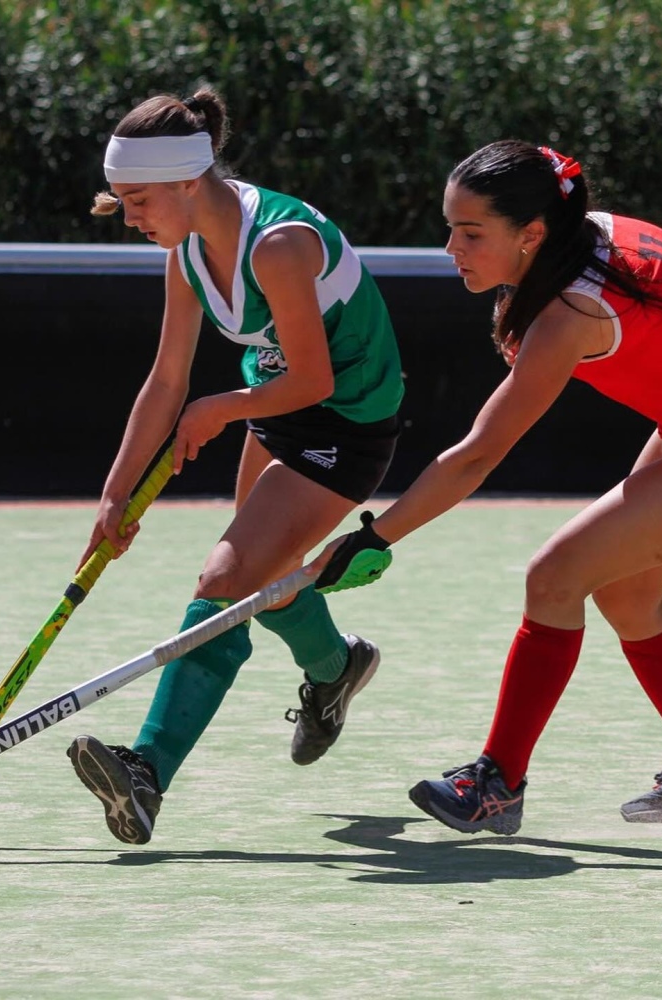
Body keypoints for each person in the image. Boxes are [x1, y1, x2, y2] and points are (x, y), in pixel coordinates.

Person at [311, 139, 662, 835]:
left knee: (555, 577)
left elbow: (477, 457)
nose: (451, 248)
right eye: (450, 228)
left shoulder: (570, 315)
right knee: (624, 591)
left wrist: (375, 537)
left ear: (533, 233)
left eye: (470, 233)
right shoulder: (590, 232)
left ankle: (497, 785)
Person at [67, 87, 404, 844]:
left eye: (139, 199)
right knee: (259, 575)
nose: (129, 217)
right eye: (120, 199)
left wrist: (222, 408)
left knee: (226, 580)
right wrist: (117, 496)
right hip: (276, 403)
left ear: (190, 181)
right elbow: (166, 381)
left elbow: (315, 381)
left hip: (347, 420)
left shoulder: (279, 244)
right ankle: (336, 668)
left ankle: (146, 774)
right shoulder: (187, 254)